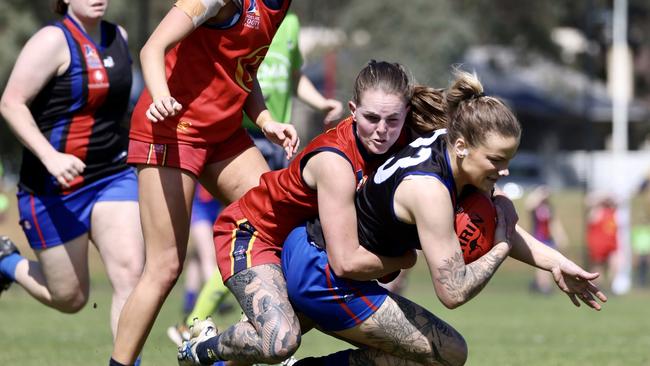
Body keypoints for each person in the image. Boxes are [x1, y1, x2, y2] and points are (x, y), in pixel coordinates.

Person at [278, 70, 608, 365]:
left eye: (508, 159)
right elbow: (453, 292)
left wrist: (555, 262)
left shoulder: (450, 146)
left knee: (261, 345)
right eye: (495, 159)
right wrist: (501, 248)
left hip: (315, 255)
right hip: (323, 272)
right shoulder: (430, 190)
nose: (504, 170)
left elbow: (501, 225)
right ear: (463, 147)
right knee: (448, 352)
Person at [177, 60, 445, 365]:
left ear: (405, 115)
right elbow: (345, 260)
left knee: (278, 337)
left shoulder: (403, 144)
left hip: (301, 248)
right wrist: (405, 259)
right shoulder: (336, 160)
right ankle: (201, 348)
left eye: (392, 120)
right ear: (353, 110)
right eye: (371, 118)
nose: (382, 130)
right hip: (254, 235)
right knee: (280, 341)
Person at [110, 0, 297, 364]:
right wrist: (161, 95)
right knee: (164, 267)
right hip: (170, 130)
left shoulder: (279, 5)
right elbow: (152, 49)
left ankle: (226, 349)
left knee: (284, 225)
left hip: (222, 133)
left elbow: (242, 66)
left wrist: (265, 121)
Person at [168, 11, 344, 346]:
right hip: (243, 137)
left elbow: (293, 76)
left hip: (280, 138)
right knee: (251, 236)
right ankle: (196, 322)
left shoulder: (289, 23)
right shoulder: (242, 15)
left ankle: (258, 328)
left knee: (266, 238)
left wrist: (321, 102)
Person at [0, 0, 143, 343]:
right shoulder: (52, 41)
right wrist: (51, 157)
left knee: (131, 275)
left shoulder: (118, 36)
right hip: (53, 187)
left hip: (112, 175)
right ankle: (6, 261)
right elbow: (11, 103)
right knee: (71, 298)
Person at [525, 185, 568, 294]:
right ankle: (541, 286)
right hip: (538, 239)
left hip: (548, 239)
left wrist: (560, 236)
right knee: (541, 264)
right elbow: (528, 205)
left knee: (550, 264)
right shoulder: (535, 207)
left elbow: (554, 223)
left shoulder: (549, 207)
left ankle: (545, 285)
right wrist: (539, 194)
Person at [585, 192, 620, 289]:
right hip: (598, 244)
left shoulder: (612, 210)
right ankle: (597, 287)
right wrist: (601, 198)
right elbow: (588, 202)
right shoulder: (596, 210)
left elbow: (619, 200)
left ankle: (610, 286)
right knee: (598, 267)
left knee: (615, 265)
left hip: (612, 243)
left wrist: (609, 197)